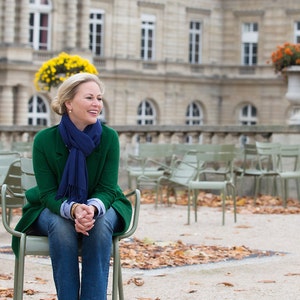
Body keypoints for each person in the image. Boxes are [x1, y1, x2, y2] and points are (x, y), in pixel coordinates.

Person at [12, 73, 132, 300]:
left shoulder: (109, 138)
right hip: (55, 206)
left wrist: (91, 209)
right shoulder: (44, 141)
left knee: (100, 222)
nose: (97, 104)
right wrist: (75, 209)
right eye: (89, 98)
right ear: (69, 103)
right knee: (60, 224)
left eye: (99, 98)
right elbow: (48, 194)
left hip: (102, 204)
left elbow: (107, 189)